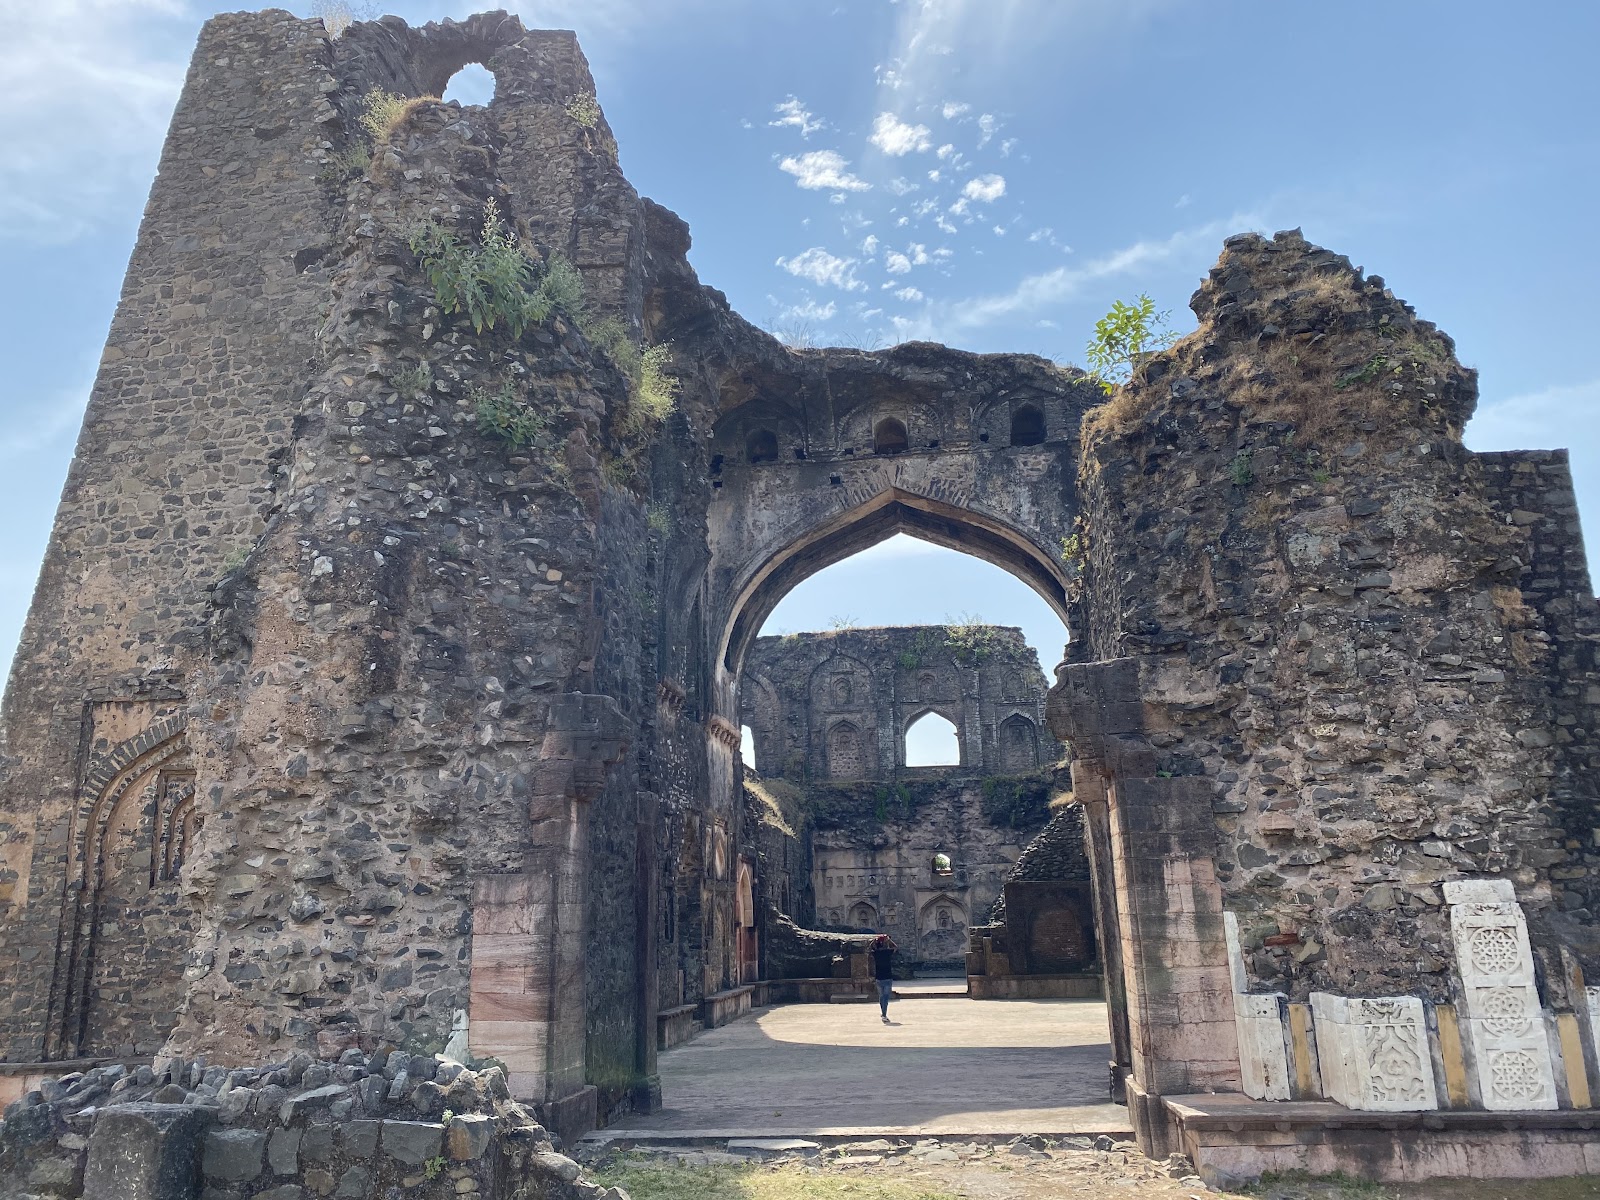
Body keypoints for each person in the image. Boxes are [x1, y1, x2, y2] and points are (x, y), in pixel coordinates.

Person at [871, 933, 897, 1023]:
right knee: (885, 997)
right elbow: (895, 947)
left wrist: (873, 941)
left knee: (882, 997)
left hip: (879, 978)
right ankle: (884, 1014)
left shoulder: (876, 953)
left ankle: (883, 1013)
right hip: (888, 977)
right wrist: (889, 940)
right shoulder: (887, 952)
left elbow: (869, 948)